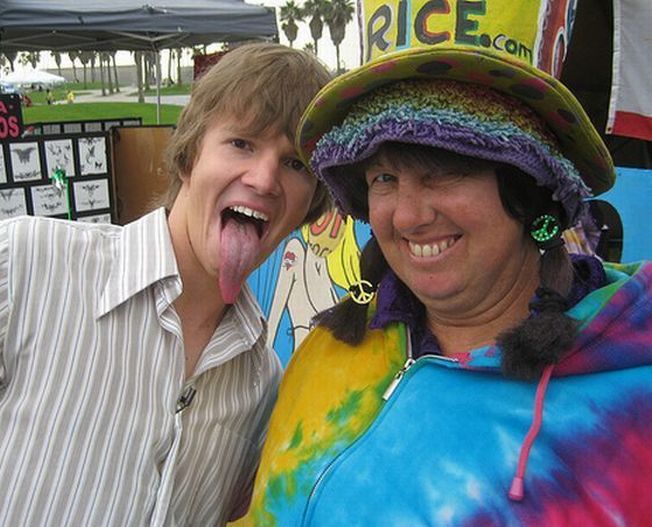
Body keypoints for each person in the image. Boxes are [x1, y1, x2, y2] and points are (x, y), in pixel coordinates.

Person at [243, 2, 652, 525]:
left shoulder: (630, 404)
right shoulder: (329, 351)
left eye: (444, 172)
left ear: (529, 192)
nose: (408, 217)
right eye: (384, 179)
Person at [0, 43, 331, 526]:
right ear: (189, 156)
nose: (264, 179)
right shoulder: (21, 267)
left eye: (296, 164)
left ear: (311, 203)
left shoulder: (260, 383)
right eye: (241, 143)